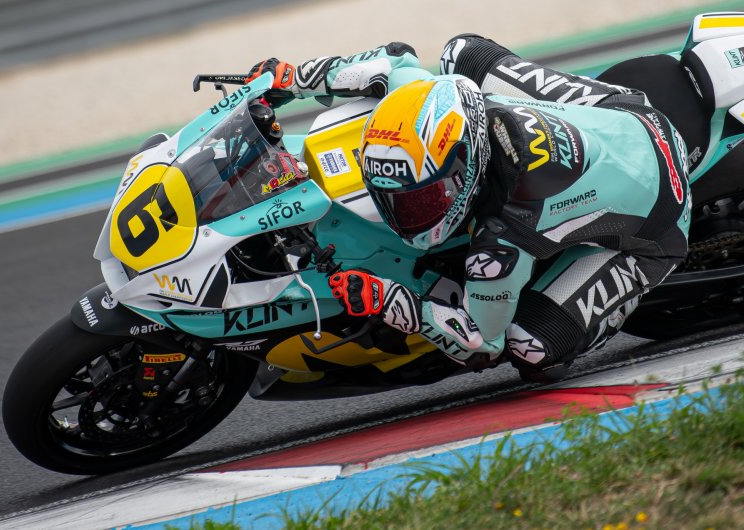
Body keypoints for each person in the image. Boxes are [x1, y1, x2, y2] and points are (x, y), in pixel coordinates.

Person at [246, 35, 691, 383]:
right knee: (461, 52)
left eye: (421, 198)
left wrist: (390, 300)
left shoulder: (505, 233)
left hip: (662, 215)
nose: (404, 213)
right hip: (624, 112)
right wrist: (292, 77)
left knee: (529, 347)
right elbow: (393, 61)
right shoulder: (437, 104)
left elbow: (481, 344)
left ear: (465, 170)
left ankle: (609, 285)